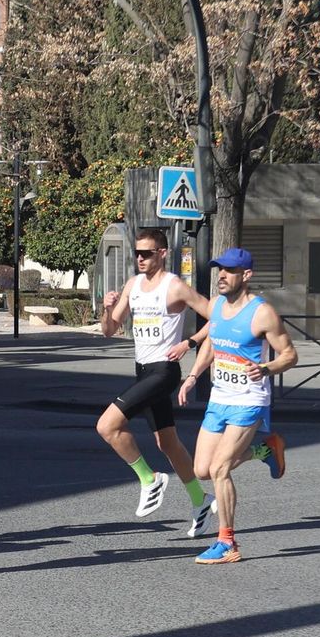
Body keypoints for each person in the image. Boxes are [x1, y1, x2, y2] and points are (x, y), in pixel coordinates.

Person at [176, 247, 297, 564]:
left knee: (219, 469)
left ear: (247, 275)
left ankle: (227, 543)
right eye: (220, 270)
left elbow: (289, 355)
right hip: (220, 398)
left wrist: (267, 369)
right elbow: (213, 343)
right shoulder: (216, 306)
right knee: (201, 469)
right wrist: (192, 376)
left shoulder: (262, 313)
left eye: (229, 271)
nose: (222, 276)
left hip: (249, 401)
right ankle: (265, 451)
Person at [97, 228, 217, 537]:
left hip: (164, 371)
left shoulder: (174, 286)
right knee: (167, 443)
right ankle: (200, 500)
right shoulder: (133, 285)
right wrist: (106, 307)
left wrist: (190, 342)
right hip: (142, 370)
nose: (140, 258)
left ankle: (149, 479)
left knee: (107, 426)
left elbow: (217, 316)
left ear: (162, 253)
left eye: (147, 253)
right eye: (137, 253)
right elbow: (110, 329)